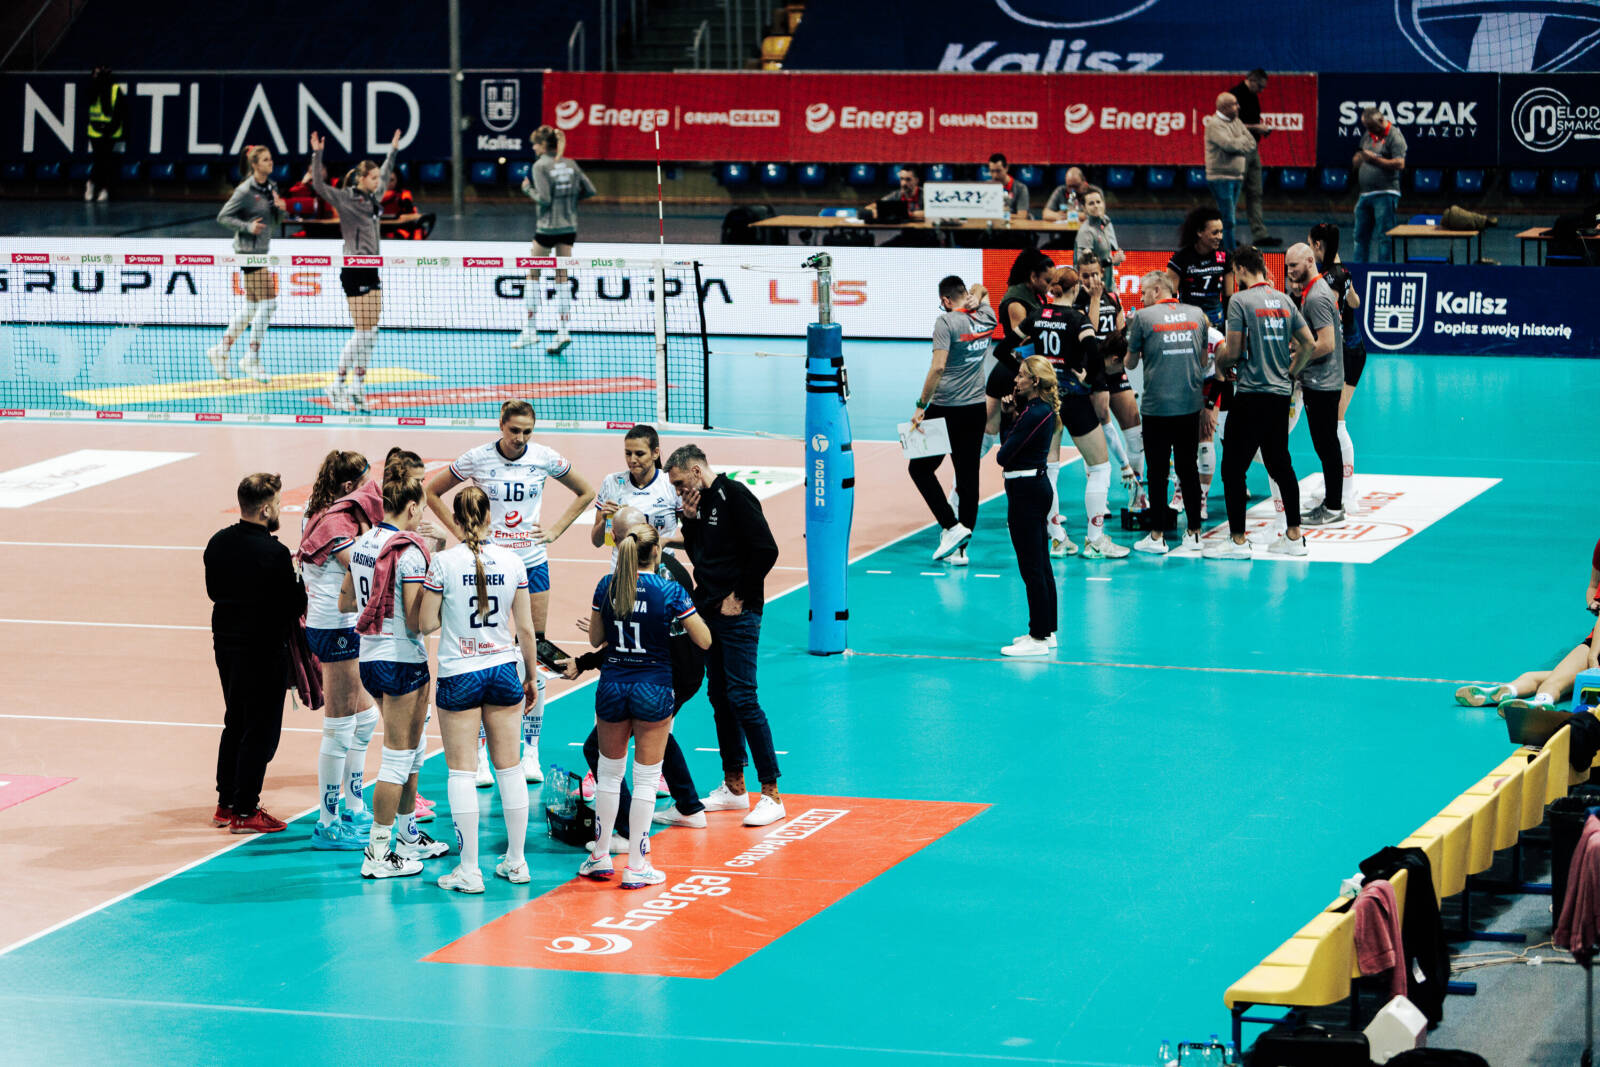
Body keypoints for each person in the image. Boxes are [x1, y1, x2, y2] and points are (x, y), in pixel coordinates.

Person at [426, 399, 595, 787]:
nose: (520, 438)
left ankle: (530, 751)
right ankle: (480, 756)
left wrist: (554, 531)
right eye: (514, 430)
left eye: (527, 431)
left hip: (531, 562)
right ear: (501, 426)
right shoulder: (477, 458)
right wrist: (461, 533)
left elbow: (585, 492)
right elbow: (432, 491)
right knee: (483, 651)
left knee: (534, 650)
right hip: (488, 563)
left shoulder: (543, 456)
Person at [577, 522, 714, 888]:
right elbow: (704, 640)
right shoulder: (670, 590)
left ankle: (600, 856)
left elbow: (595, 638)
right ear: (656, 552)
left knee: (609, 776)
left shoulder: (607, 586)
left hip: (613, 685)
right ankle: (637, 865)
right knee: (647, 780)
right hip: (653, 687)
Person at [418, 486, 540, 893]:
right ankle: (517, 861)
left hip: (460, 674)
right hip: (503, 670)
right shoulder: (513, 560)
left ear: (455, 519)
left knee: (462, 772)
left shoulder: (443, 563)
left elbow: (426, 624)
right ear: (490, 516)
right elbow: (525, 628)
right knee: (510, 768)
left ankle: (469, 869)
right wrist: (530, 676)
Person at [665, 444, 786, 827]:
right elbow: (703, 556)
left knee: (743, 698)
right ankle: (734, 787)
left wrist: (740, 595)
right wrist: (689, 521)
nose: (679, 491)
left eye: (680, 484)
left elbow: (766, 550)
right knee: (718, 696)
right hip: (709, 611)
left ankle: (772, 794)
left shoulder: (735, 496)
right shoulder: (698, 507)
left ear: (697, 471)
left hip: (738, 613)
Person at [340, 470, 448, 878]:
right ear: (413, 507)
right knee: (398, 759)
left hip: (370, 657)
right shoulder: (410, 552)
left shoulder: (362, 543)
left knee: (413, 752)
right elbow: (418, 621)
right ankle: (378, 853)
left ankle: (407, 836)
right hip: (403, 660)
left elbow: (346, 600)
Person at [204, 473, 305, 834]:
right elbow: (294, 606)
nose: (279, 509)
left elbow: (213, 591)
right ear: (265, 509)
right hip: (263, 650)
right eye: (277, 503)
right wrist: (297, 578)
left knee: (236, 719)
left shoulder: (217, 543)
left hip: (226, 645)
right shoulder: (274, 554)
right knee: (261, 730)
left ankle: (226, 802)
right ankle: (246, 809)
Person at [1205, 246, 1318, 560]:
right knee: (1280, 464)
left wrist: (1219, 362)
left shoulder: (1240, 301)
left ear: (1240, 269)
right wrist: (1290, 372)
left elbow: (1234, 351)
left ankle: (1238, 541)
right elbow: (1309, 343)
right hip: (1280, 396)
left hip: (1251, 394)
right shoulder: (1284, 300)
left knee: (1232, 468)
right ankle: (1294, 537)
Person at [296, 450, 382, 850]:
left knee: (364, 719)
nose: (371, 490)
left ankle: (354, 807)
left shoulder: (328, 509)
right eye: (365, 482)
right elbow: (363, 564)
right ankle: (327, 823)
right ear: (348, 486)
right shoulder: (333, 521)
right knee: (339, 725)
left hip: (344, 624)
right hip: (335, 626)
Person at [1033, 266, 1128, 560]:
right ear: (1075, 289)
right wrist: (1090, 380)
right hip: (1073, 398)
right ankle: (1095, 540)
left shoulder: (1037, 315)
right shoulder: (1077, 318)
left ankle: (1058, 539)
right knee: (1100, 468)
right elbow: (1095, 354)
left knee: (1049, 469)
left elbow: (1006, 349)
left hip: (1045, 399)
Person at [309, 128, 401, 411]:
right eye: (373, 177)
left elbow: (386, 172)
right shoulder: (345, 198)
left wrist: (392, 151)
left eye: (377, 178)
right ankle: (336, 384)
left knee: (372, 332)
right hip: (353, 268)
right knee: (362, 333)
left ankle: (358, 386)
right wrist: (317, 154)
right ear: (361, 178)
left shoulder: (374, 198)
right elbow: (319, 186)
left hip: (372, 268)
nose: (378, 181)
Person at [1457, 541, 1600, 712]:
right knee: (1555, 680)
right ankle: (1534, 700)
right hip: (1595, 642)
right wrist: (1593, 657)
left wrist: (1593, 657)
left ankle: (1521, 693)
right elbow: (1593, 588)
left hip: (1595, 643)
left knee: (1552, 680)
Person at [1124, 272, 1209, 556]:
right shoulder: (1197, 314)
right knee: (1188, 469)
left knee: (1158, 472)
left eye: (1144, 292)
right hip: (1189, 405)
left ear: (1158, 290)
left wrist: (1133, 341)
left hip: (1157, 407)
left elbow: (1130, 363)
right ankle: (1194, 534)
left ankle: (1157, 536)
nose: (1141, 298)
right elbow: (1203, 360)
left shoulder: (1142, 318)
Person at [911, 275, 994, 565]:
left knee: (919, 469)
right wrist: (978, 295)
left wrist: (921, 405)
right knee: (968, 476)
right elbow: (983, 290)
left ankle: (950, 526)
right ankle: (960, 551)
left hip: (945, 408)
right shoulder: (987, 316)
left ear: (946, 301)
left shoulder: (945, 322)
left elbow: (938, 367)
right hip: (976, 408)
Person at [513, 125, 597, 355]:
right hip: (569, 228)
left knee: (533, 274)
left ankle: (530, 331)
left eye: (535, 144)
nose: (533, 148)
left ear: (543, 145)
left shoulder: (540, 166)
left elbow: (545, 199)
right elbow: (590, 190)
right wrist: (569, 202)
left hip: (547, 229)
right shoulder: (570, 164)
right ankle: (562, 331)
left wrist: (527, 190)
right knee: (562, 276)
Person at [997, 356, 1061, 657]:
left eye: (1022, 375)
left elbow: (1004, 455)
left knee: (1032, 566)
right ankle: (1046, 630)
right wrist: (1011, 415)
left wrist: (1008, 419)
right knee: (1041, 564)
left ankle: (1038, 637)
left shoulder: (1035, 413)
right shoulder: (1036, 410)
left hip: (1026, 492)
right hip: (1031, 488)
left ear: (1035, 381)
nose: (1016, 380)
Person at [1074, 252, 1145, 512]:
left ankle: (1137, 494)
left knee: (1134, 430)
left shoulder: (1113, 297)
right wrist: (1093, 298)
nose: (1092, 279)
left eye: (1095, 274)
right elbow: (1089, 331)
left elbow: (1120, 331)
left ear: (1102, 273)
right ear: (1079, 276)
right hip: (1093, 371)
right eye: (1086, 275)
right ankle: (1100, 497)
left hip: (1115, 369)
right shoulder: (1077, 303)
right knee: (1097, 435)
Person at [210, 144, 286, 383]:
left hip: (262, 250)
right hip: (248, 252)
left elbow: (274, 223)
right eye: (265, 160)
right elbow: (223, 216)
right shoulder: (244, 190)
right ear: (254, 164)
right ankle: (251, 357)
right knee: (270, 303)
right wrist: (247, 227)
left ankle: (221, 349)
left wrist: (281, 210)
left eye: (270, 158)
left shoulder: (271, 187)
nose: (270, 162)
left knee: (252, 306)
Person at [1284, 243, 1347, 527]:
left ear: (1310, 260)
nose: (1290, 271)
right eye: (1287, 266)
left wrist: (1295, 361)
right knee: (1325, 444)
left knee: (1327, 445)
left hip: (1323, 382)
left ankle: (1333, 507)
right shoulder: (1313, 292)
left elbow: (1326, 344)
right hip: (1320, 380)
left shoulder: (1317, 297)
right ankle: (1332, 503)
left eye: (1294, 265)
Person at [1310, 222, 1364, 512]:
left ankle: (1348, 491)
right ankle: (1334, 480)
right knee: (1334, 423)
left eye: (1310, 244)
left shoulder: (1326, 279)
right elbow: (1355, 301)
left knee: (1336, 423)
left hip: (1347, 353)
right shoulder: (1342, 272)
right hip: (1353, 350)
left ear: (1318, 245)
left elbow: (1332, 315)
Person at [591, 424, 681, 557]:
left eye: (639, 454)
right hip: (623, 566)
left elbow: (695, 539)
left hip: (661, 565)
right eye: (628, 453)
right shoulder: (612, 482)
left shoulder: (671, 483)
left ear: (655, 453)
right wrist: (604, 521)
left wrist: (666, 541)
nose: (632, 460)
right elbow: (596, 541)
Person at [1228, 69, 1279, 247]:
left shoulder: (1253, 96)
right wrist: (1257, 128)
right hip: (1238, 151)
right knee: (1232, 194)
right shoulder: (1234, 96)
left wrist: (1259, 130)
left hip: (1252, 149)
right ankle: (1225, 234)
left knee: (1256, 192)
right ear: (1251, 80)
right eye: (1260, 87)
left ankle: (1260, 234)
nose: (1261, 91)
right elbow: (1231, 125)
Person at [1351, 107, 1407, 263]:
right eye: (1367, 127)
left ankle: (1383, 269)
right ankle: (1359, 269)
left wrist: (1374, 160)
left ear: (1381, 121)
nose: (1369, 130)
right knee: (1360, 236)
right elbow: (1357, 158)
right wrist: (1359, 159)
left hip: (1385, 193)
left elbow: (1400, 163)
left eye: (1372, 126)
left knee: (1384, 236)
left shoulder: (1394, 136)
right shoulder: (1368, 135)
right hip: (1365, 194)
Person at [1203, 92, 1257, 252]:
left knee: (1229, 217)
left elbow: (1252, 143)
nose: (1238, 107)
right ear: (1224, 107)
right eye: (1234, 104)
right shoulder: (1214, 124)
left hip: (1236, 176)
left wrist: (1238, 143)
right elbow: (1229, 146)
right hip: (1221, 177)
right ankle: (1229, 253)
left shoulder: (1237, 122)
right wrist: (1240, 142)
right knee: (1227, 218)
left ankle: (1225, 249)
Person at [84, 66, 125, 203]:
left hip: (110, 131)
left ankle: (102, 188)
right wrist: (99, 127)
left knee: (105, 160)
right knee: (100, 159)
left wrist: (109, 128)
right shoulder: (92, 90)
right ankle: (94, 185)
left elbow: (120, 112)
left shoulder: (115, 90)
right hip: (95, 131)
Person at [1073, 187, 1125, 286]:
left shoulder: (1106, 222)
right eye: (1091, 203)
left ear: (1103, 204)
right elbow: (1085, 266)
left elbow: (1110, 252)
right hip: (1091, 288)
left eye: (1098, 202)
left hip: (1108, 285)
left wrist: (1117, 257)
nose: (1096, 206)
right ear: (1084, 208)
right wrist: (1111, 261)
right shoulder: (1086, 232)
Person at [861, 166, 925, 221]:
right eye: (901, 179)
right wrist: (878, 212)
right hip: (903, 230)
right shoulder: (895, 195)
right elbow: (868, 208)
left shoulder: (925, 195)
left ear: (916, 180)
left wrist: (910, 214)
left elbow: (930, 213)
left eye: (908, 180)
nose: (903, 183)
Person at [380, 169, 429, 240]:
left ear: (397, 181)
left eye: (391, 180)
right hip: (377, 228)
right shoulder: (371, 196)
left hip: (398, 228)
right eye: (385, 180)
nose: (388, 183)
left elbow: (411, 213)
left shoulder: (404, 194)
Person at [987, 153, 1030, 218]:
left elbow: (1022, 216)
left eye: (998, 171)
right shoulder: (987, 187)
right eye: (992, 171)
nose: (995, 175)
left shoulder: (1021, 188)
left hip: (1014, 224)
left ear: (1006, 168)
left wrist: (1000, 214)